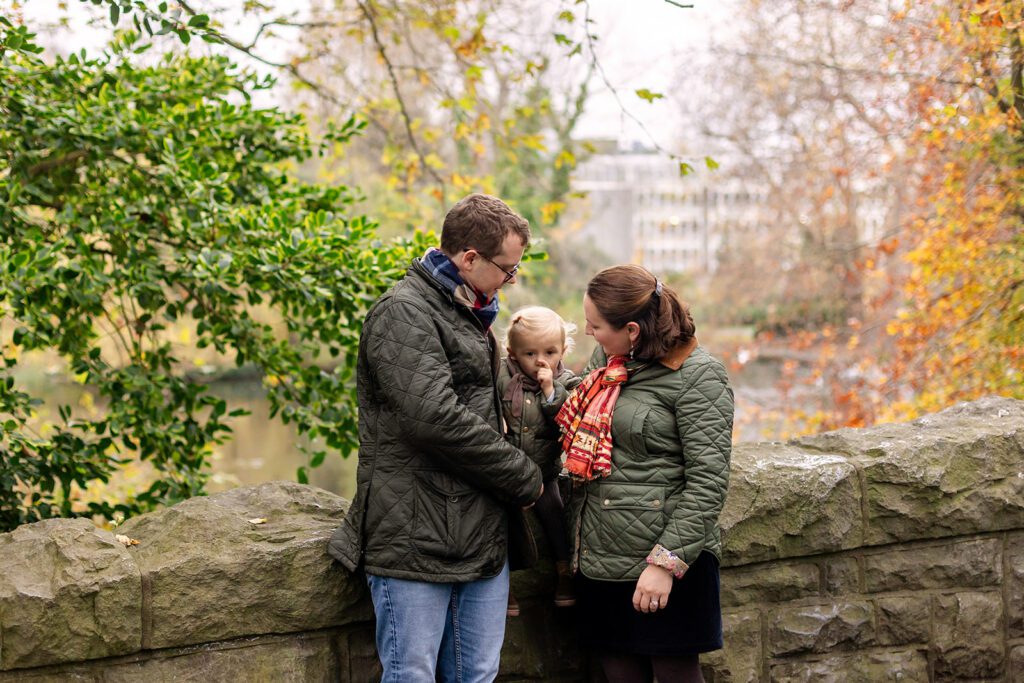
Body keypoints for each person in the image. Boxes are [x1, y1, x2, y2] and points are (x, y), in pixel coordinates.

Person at [328, 194, 544, 683]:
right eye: (507, 270)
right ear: (469, 258)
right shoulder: (403, 312)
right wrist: (523, 477)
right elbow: (432, 417)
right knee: (412, 674)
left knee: (477, 674)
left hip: (480, 532)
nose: (512, 281)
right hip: (413, 535)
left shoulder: (469, 310)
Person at [556, 264, 734, 683]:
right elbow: (577, 411)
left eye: (595, 325)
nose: (588, 333)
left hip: (665, 562)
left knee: (674, 673)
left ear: (632, 329)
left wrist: (665, 563)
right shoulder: (609, 359)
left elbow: (708, 483)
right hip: (600, 555)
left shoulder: (700, 376)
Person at [497, 306, 582, 616]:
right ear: (512, 352)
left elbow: (570, 420)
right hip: (507, 472)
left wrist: (550, 389)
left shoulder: (568, 382)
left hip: (544, 471)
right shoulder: (501, 375)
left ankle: (563, 574)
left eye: (550, 351)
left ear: (563, 351)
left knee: (555, 513)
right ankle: (502, 585)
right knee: (500, 519)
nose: (540, 360)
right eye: (529, 353)